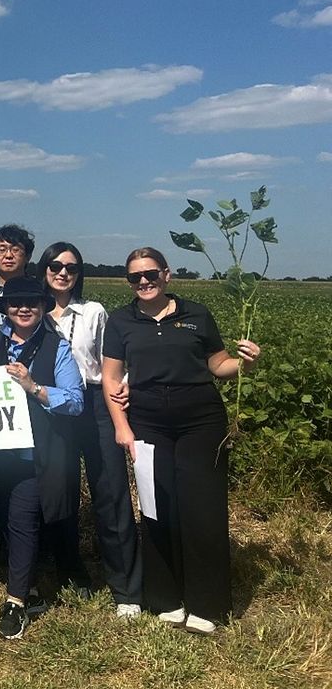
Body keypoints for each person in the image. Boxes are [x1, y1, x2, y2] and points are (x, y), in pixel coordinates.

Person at [101, 247, 260, 635]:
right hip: (148, 419)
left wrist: (246, 363)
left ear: (167, 275)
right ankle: (166, 598)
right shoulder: (121, 321)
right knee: (158, 507)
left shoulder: (196, 314)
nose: (143, 282)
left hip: (200, 417)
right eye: (135, 277)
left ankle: (208, 605)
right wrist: (122, 426)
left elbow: (218, 365)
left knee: (202, 508)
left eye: (150, 274)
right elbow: (111, 377)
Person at [0, 276, 83, 640]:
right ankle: (30, 585)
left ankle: (16, 601)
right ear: (5, 308)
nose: (23, 308)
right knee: (4, 512)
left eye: (32, 302)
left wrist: (34, 387)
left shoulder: (56, 347)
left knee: (22, 518)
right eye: (15, 302)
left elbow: (75, 400)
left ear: (43, 307)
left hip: (34, 452)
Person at [39, 241, 141, 618]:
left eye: (71, 267)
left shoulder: (94, 311)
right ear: (44, 270)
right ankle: (71, 571)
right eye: (55, 265)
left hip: (95, 402)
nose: (63, 272)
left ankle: (126, 586)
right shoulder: (31, 311)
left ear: (80, 274)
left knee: (110, 491)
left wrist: (123, 386)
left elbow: (111, 362)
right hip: (54, 407)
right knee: (60, 492)